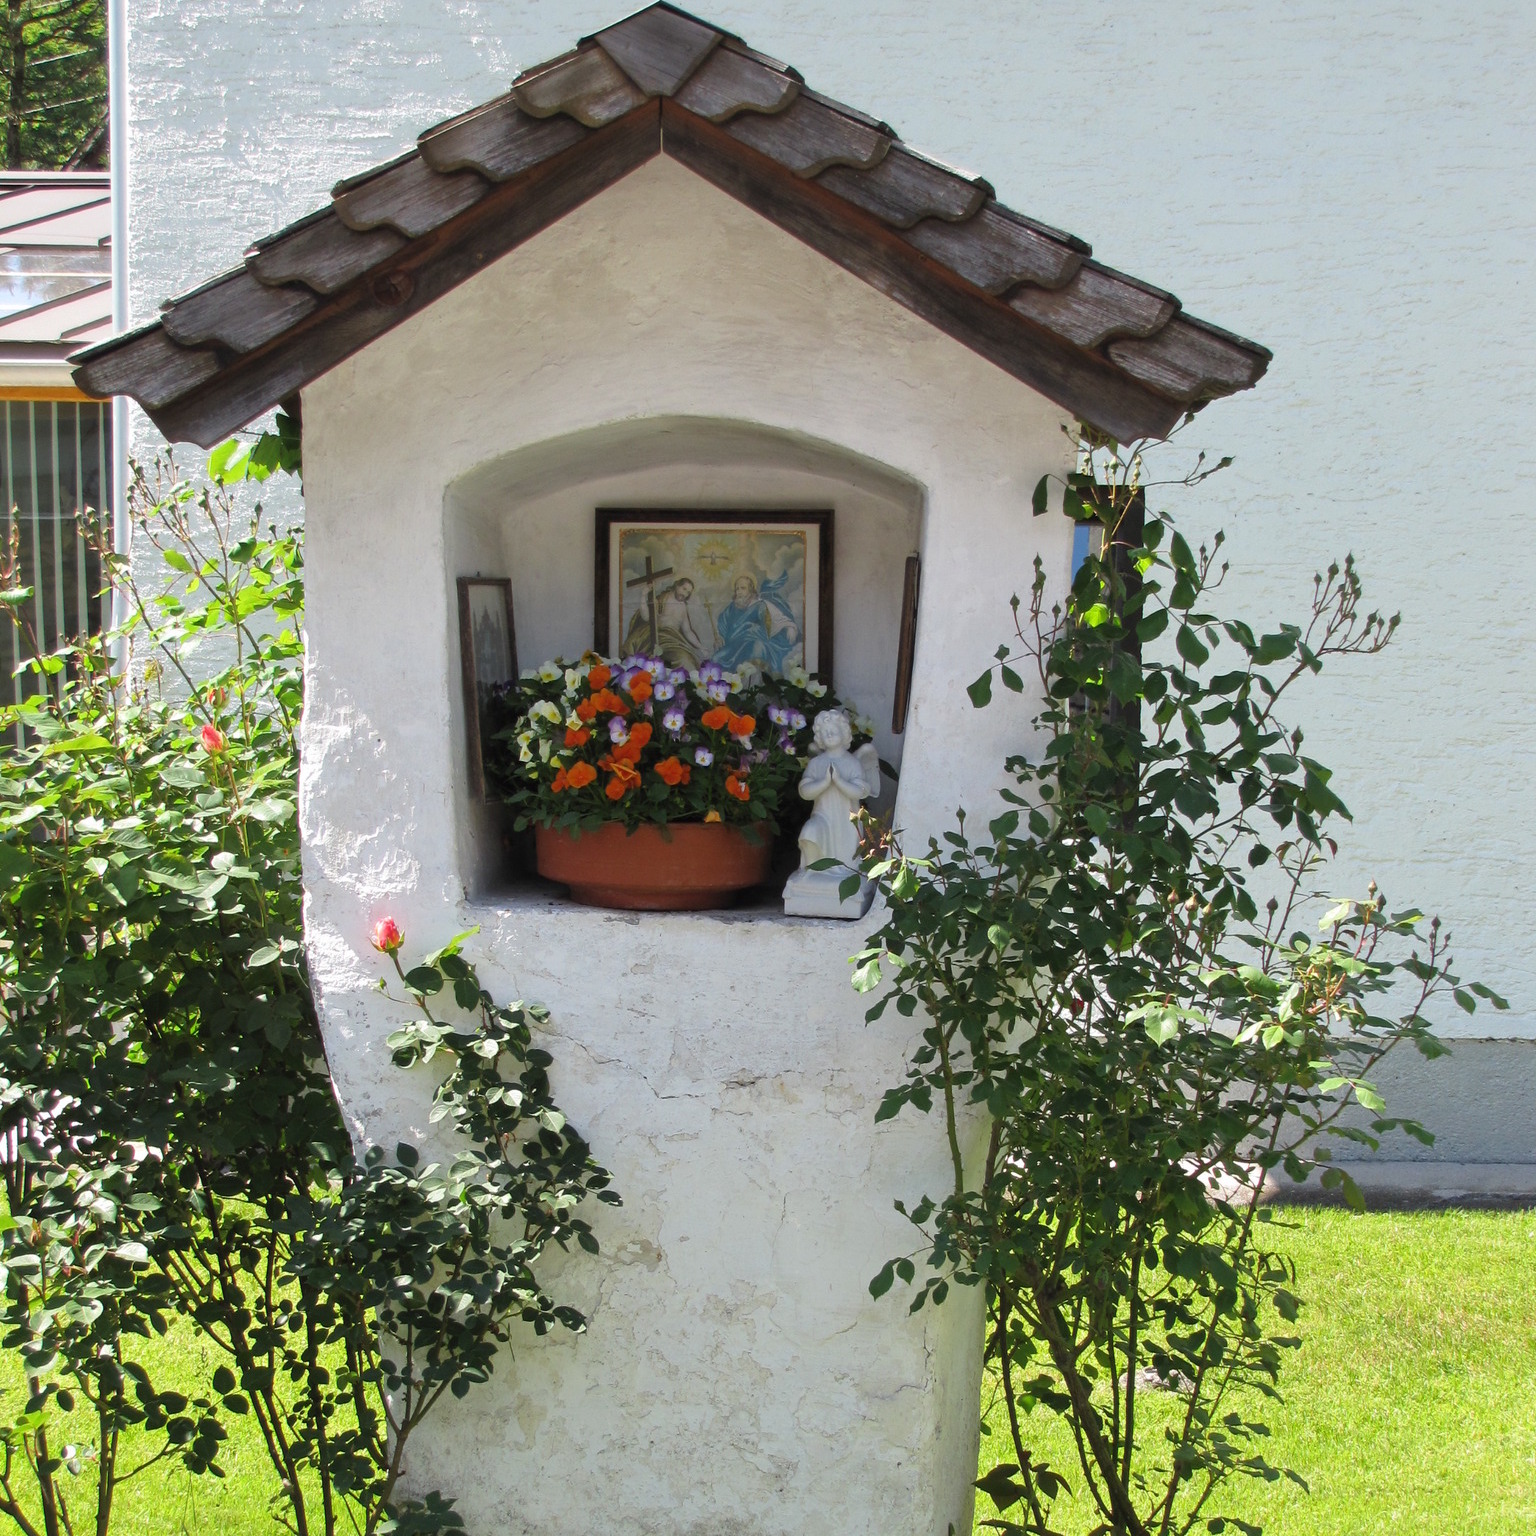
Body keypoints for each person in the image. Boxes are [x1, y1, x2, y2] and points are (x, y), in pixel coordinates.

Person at [712, 572, 800, 675]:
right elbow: (723, 626)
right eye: (737, 589)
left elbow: (776, 621)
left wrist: (790, 627)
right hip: (734, 646)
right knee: (716, 658)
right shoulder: (731, 608)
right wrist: (719, 637)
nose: (739, 591)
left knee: (756, 652)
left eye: (743, 588)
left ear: (751, 589)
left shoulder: (759, 605)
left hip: (752, 642)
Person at [624, 575, 711, 668]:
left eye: (688, 592)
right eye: (684, 589)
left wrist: (700, 647)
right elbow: (646, 617)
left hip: (673, 640)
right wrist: (643, 595)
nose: (685, 594)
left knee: (686, 661)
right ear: (677, 585)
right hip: (657, 636)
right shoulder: (662, 598)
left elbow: (687, 631)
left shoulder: (683, 607)